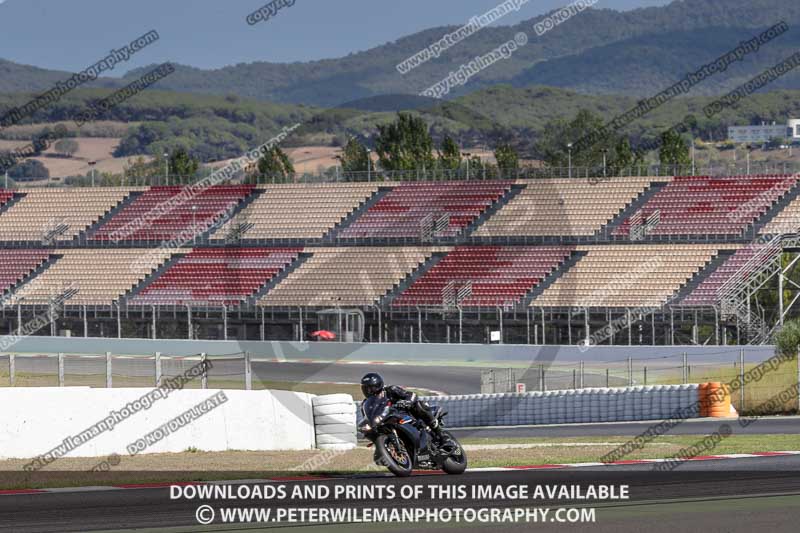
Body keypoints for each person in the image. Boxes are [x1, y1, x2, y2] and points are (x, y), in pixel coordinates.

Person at [360, 372, 446, 443]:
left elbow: (412, 395)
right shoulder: (365, 404)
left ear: (379, 385)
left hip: (407, 414)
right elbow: (368, 417)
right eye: (366, 389)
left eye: (372, 388)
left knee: (419, 405)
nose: (369, 391)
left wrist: (407, 401)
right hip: (387, 421)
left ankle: (441, 435)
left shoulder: (391, 390)